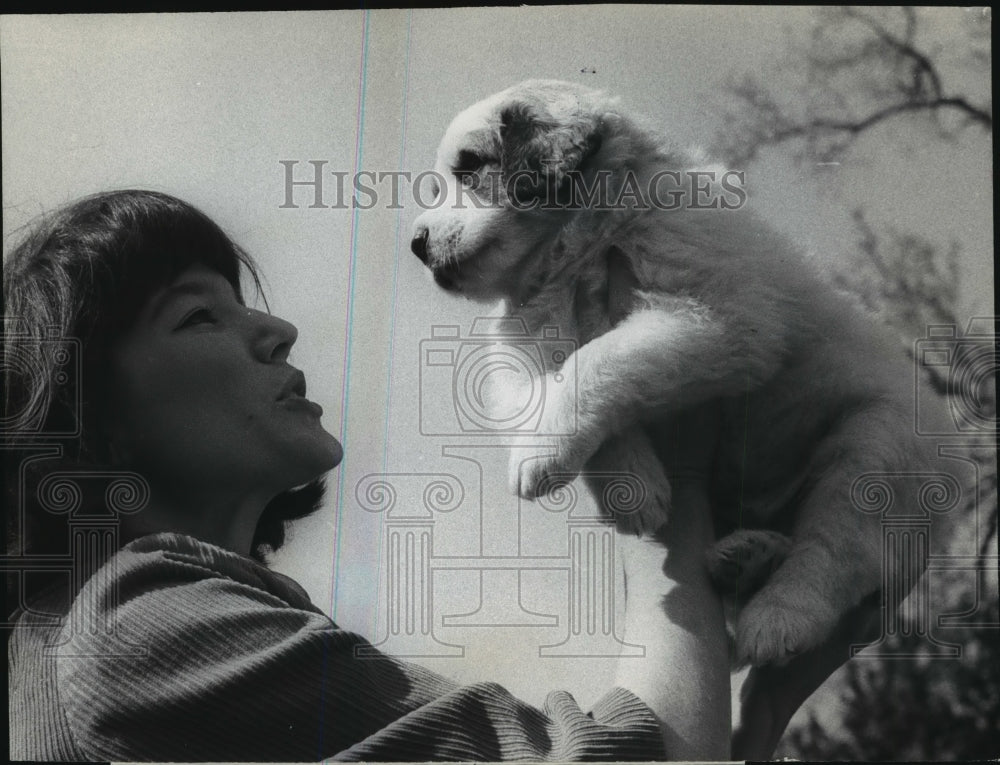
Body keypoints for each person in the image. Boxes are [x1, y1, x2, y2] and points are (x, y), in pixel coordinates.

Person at [4, 189, 731, 761]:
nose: (277, 328)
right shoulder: (137, 624)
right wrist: (665, 490)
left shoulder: (96, 636)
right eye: (198, 315)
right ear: (89, 423)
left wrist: (754, 708)